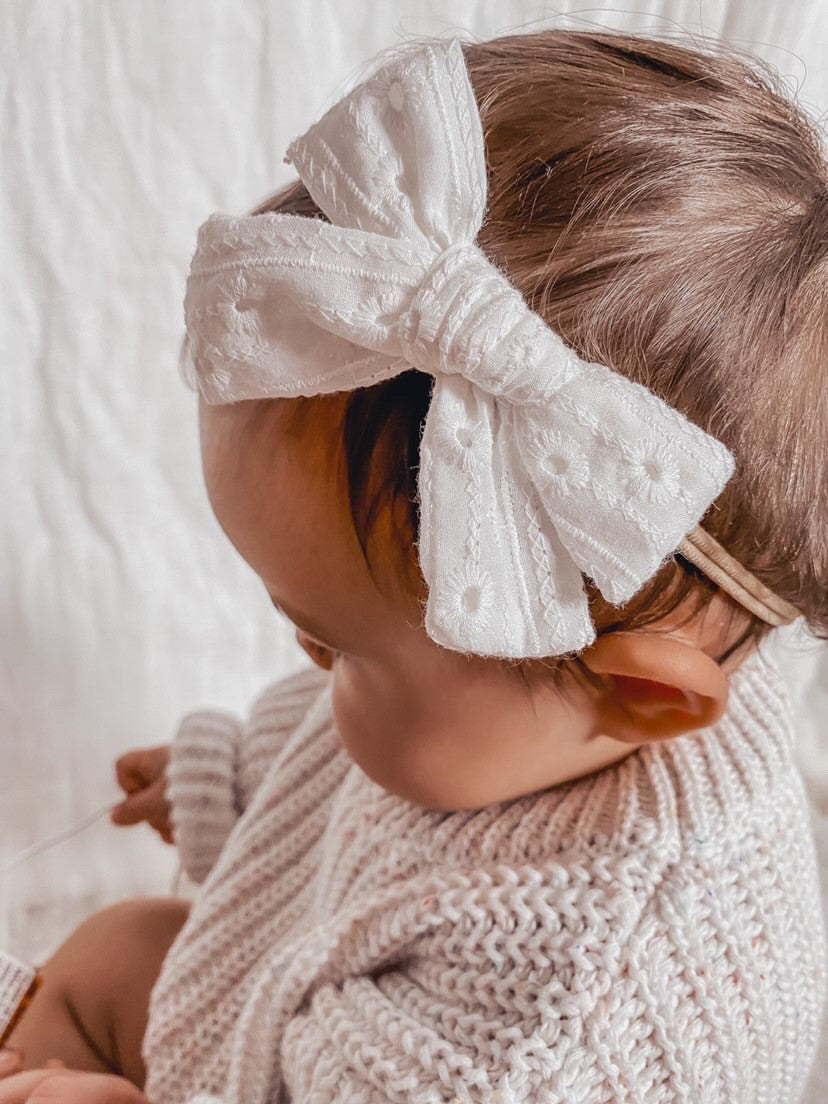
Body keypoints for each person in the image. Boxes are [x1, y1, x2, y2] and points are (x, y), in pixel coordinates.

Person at [1, 28, 826, 1104]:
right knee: (123, 952)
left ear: (643, 694)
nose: (307, 664)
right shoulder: (534, 696)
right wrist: (235, 780)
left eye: (333, 648)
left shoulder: (561, 1038)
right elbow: (357, 784)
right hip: (331, 1005)